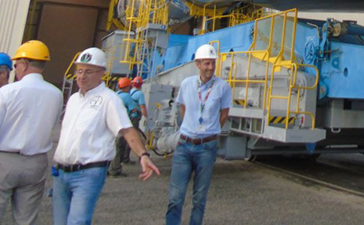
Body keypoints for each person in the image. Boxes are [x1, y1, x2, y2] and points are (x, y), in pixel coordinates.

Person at [53, 47, 160, 225]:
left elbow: (127, 129)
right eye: (79, 70)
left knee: (77, 221)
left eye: (88, 71)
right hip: (61, 173)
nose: (82, 76)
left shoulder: (109, 99)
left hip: (87, 174)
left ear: (102, 73)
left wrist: (143, 155)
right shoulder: (73, 99)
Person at [166, 44, 232, 225]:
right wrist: (190, 126)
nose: (210, 67)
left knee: (200, 198)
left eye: (213, 63)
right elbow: (182, 106)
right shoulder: (187, 84)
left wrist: (210, 130)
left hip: (207, 147)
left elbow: (224, 113)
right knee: (175, 196)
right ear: (198, 64)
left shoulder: (223, 87)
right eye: (207, 63)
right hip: (184, 145)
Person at [0, 41, 62, 225]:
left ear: (24, 64)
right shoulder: (56, 94)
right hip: (36, 161)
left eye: (17, 64)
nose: (16, 69)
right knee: (26, 219)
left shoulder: (7, 92)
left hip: (5, 160)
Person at [109, 77, 141, 176]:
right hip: (122, 125)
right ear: (128, 87)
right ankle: (115, 169)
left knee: (111, 146)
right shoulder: (127, 97)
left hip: (112, 125)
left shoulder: (114, 95)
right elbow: (134, 109)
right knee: (119, 147)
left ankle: (107, 168)